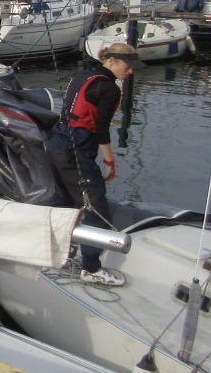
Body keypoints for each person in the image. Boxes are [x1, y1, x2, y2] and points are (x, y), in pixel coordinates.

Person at [48, 42, 144, 287]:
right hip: (76, 149)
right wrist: (110, 161)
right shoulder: (109, 88)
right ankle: (91, 268)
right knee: (96, 208)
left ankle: (55, 252)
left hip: (56, 142)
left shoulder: (83, 75)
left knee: (64, 202)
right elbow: (101, 130)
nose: (130, 71)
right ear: (111, 61)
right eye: (128, 66)